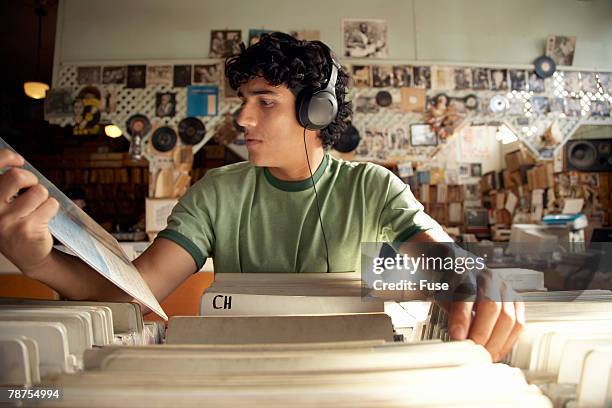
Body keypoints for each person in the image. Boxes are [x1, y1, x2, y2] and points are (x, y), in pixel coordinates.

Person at [0, 32, 522, 362]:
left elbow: (436, 252)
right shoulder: (216, 193)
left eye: (265, 101)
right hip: (234, 367)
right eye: (243, 101)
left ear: (315, 113)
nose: (243, 118)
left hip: (349, 370)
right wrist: (40, 262)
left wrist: (470, 274)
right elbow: (139, 292)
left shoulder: (372, 186)